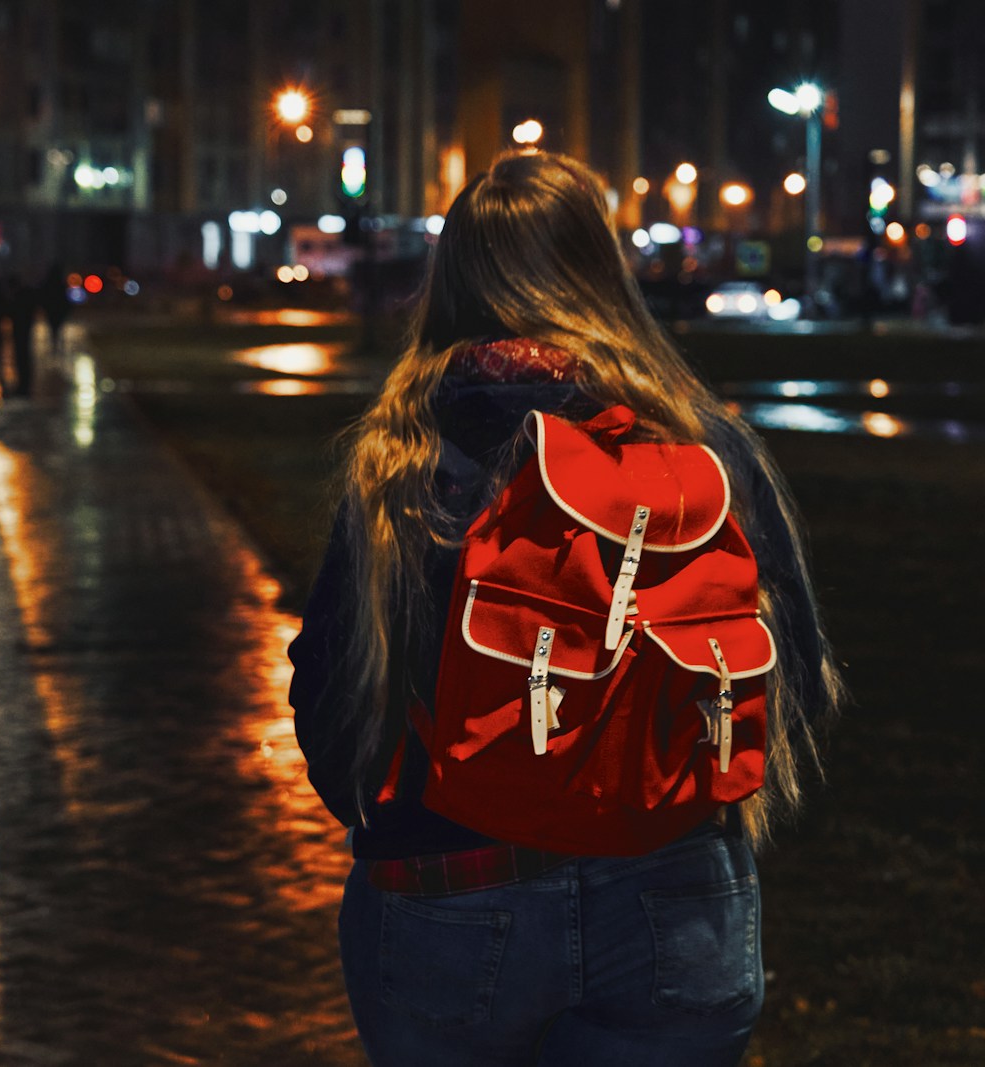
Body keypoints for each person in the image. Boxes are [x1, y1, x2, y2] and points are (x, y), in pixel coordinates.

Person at [287, 151, 845, 1066]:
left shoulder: (405, 461)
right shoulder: (705, 450)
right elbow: (796, 678)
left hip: (451, 893)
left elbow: (332, 698)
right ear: (603, 270)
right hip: (676, 897)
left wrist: (398, 820)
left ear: (455, 278)